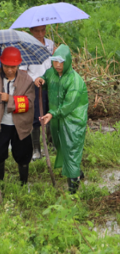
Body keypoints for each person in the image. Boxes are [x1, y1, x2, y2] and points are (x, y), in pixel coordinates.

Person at [35, 44, 88, 194]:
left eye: (61, 62)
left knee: (71, 149)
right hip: (57, 119)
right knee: (61, 146)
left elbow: (69, 104)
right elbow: (46, 80)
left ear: (68, 61)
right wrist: (40, 79)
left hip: (72, 121)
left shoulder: (74, 81)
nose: (57, 65)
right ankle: (77, 172)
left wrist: (52, 113)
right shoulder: (51, 73)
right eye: (55, 61)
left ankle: (73, 193)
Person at [20, 25, 55, 160]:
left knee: (50, 113)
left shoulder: (50, 44)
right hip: (34, 86)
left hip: (49, 85)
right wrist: (34, 80)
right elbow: (23, 71)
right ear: (31, 31)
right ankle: (36, 149)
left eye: (43, 30)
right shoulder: (25, 47)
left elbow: (54, 64)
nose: (41, 33)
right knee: (36, 117)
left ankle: (51, 144)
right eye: (37, 31)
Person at [0, 47, 35, 185]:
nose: (9, 70)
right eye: (6, 66)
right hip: (2, 124)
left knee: (23, 153)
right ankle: (1, 183)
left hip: (20, 125)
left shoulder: (26, 80)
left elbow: (29, 103)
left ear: (18, 65)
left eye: (13, 67)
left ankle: (23, 183)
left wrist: (9, 99)